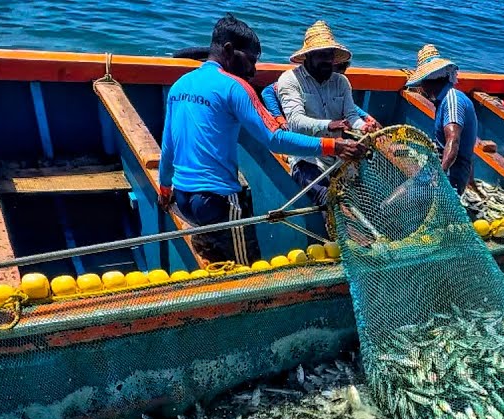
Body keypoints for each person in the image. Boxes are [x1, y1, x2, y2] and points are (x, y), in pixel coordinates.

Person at [158, 14, 364, 265]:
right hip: (218, 202)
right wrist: (333, 145)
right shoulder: (235, 87)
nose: (253, 70)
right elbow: (275, 139)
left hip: (183, 198)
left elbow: (167, 146)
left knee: (219, 260)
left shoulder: (180, 85)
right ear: (229, 50)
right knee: (249, 270)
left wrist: (165, 187)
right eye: (251, 60)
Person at [273, 21, 380, 205]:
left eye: (330, 55)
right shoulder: (290, 80)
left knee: (367, 197)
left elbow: (351, 116)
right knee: (328, 199)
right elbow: (296, 121)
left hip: (339, 155)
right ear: (307, 56)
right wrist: (329, 124)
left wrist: (364, 127)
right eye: (321, 55)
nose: (327, 61)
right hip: (307, 156)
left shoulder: (341, 82)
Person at [407, 45, 479, 194]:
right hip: (444, 165)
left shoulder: (452, 100)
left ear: (430, 81)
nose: (421, 88)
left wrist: (439, 175)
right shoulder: (446, 99)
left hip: (452, 172)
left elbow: (454, 140)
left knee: (408, 196)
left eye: (422, 83)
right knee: (406, 191)